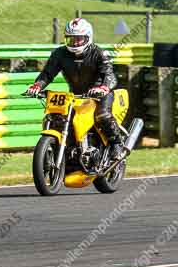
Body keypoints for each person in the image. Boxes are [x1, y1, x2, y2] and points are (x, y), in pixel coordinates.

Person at [25, 17, 125, 160]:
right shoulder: (59, 53)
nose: (75, 43)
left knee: (102, 115)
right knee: (59, 119)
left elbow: (109, 75)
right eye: (71, 39)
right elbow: (47, 73)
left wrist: (103, 87)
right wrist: (37, 86)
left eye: (79, 39)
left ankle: (117, 144)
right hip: (76, 95)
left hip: (100, 94)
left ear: (88, 37)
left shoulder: (99, 53)